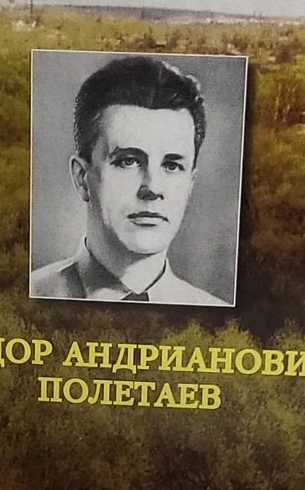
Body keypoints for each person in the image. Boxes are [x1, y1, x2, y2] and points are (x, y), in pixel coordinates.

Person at [30, 53, 227, 305]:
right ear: (82, 178)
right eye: (128, 161)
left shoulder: (217, 314)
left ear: (190, 184)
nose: (152, 188)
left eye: (172, 165)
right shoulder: (23, 298)